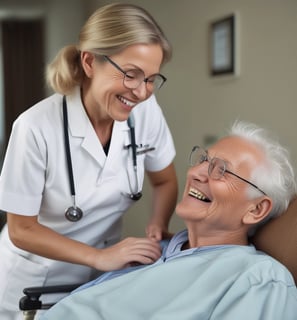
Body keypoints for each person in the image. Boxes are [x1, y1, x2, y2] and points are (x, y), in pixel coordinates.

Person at [0, 3, 178, 319]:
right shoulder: (35, 127)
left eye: (151, 79)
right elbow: (21, 229)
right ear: (90, 61)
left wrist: (158, 224)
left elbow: (164, 180)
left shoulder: (146, 114)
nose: (140, 92)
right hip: (33, 282)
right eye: (131, 74)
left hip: (101, 277)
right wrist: (99, 257)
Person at [41, 121, 297, 320]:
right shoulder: (155, 252)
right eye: (203, 160)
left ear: (256, 210)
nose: (196, 173)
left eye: (221, 170)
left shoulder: (259, 278)